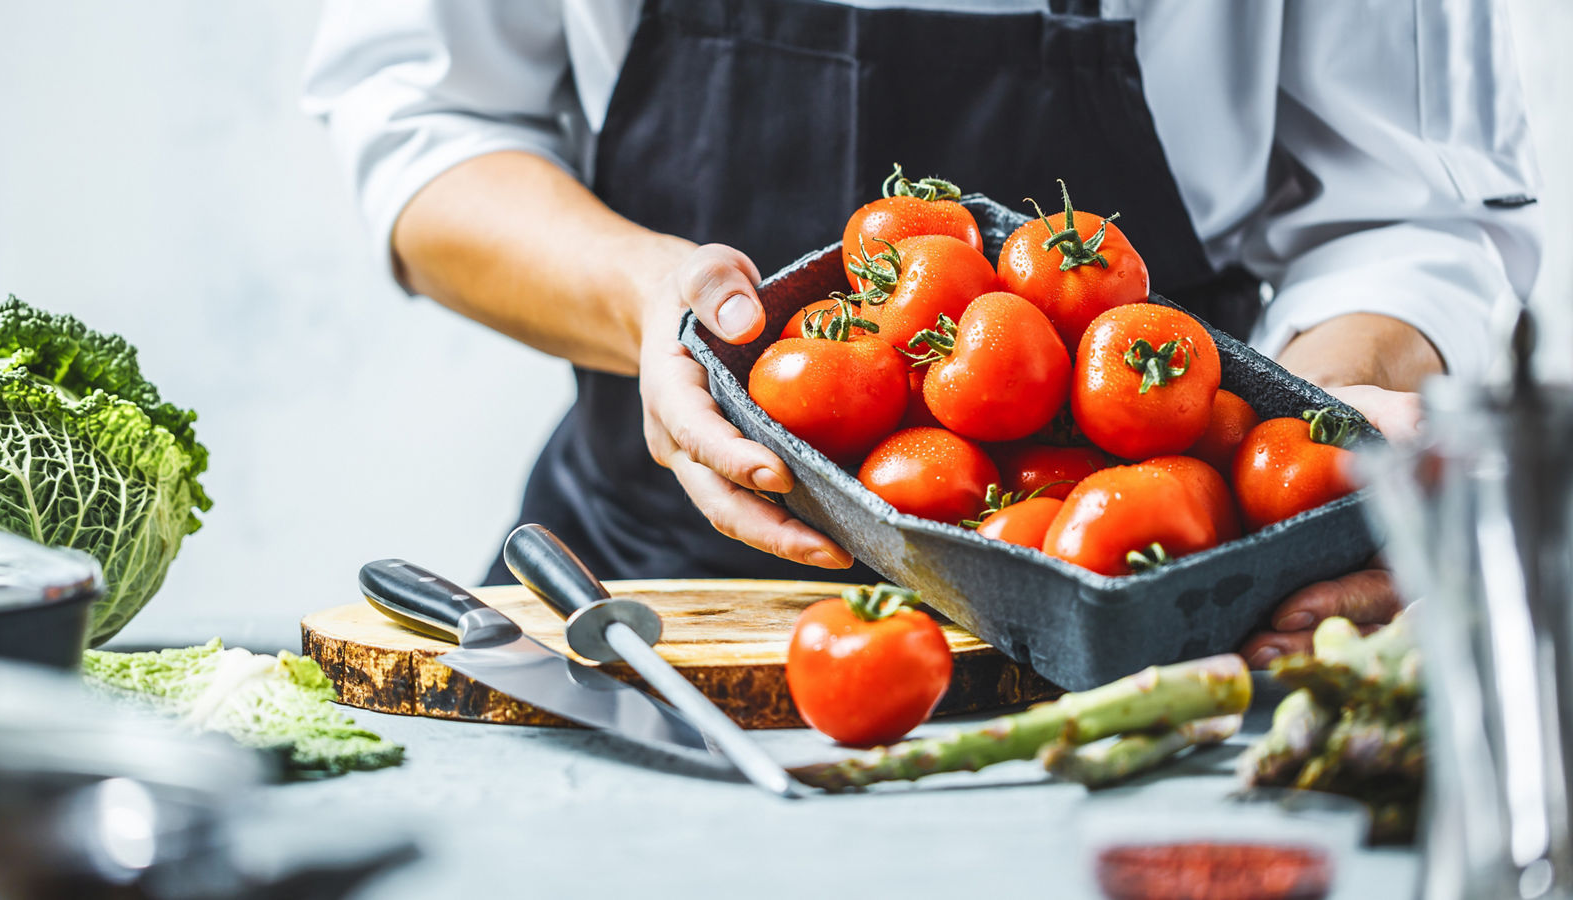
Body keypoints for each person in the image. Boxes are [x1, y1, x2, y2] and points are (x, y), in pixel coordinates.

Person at [302, 0, 1541, 666]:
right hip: (645, 605)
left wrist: (1294, 485)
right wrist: (649, 293)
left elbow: (1406, 216)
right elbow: (427, 125)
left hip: (1152, 618)